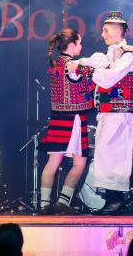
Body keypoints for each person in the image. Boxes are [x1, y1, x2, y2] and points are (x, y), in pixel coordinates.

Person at [68, 11, 133, 214]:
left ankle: (116, 200)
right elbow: (93, 62)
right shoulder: (109, 56)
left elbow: (109, 78)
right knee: (105, 156)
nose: (102, 34)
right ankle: (113, 199)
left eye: (106, 30)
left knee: (112, 156)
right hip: (108, 113)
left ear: (118, 31)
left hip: (120, 114)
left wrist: (84, 70)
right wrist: (77, 65)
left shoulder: (128, 57)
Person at [38, 28, 101, 214]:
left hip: (57, 117)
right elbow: (95, 72)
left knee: (53, 161)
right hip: (73, 119)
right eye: (79, 43)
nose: (81, 46)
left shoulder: (56, 63)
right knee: (79, 163)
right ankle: (62, 202)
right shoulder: (73, 66)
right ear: (72, 44)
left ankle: (44, 204)